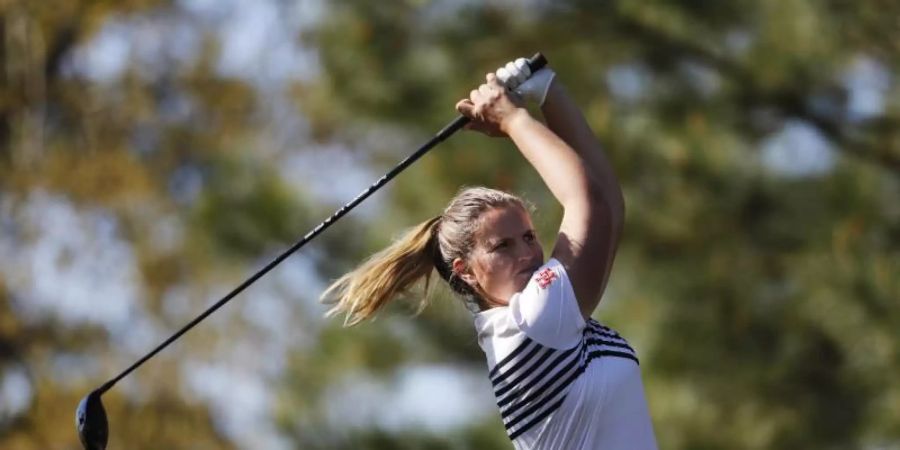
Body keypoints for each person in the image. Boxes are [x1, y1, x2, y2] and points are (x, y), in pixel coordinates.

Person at [321, 57, 658, 449]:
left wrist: (548, 93)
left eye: (529, 237)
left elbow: (609, 208)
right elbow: (592, 205)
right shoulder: (533, 322)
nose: (528, 253)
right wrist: (513, 121)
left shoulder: (542, 316)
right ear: (465, 271)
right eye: (502, 246)